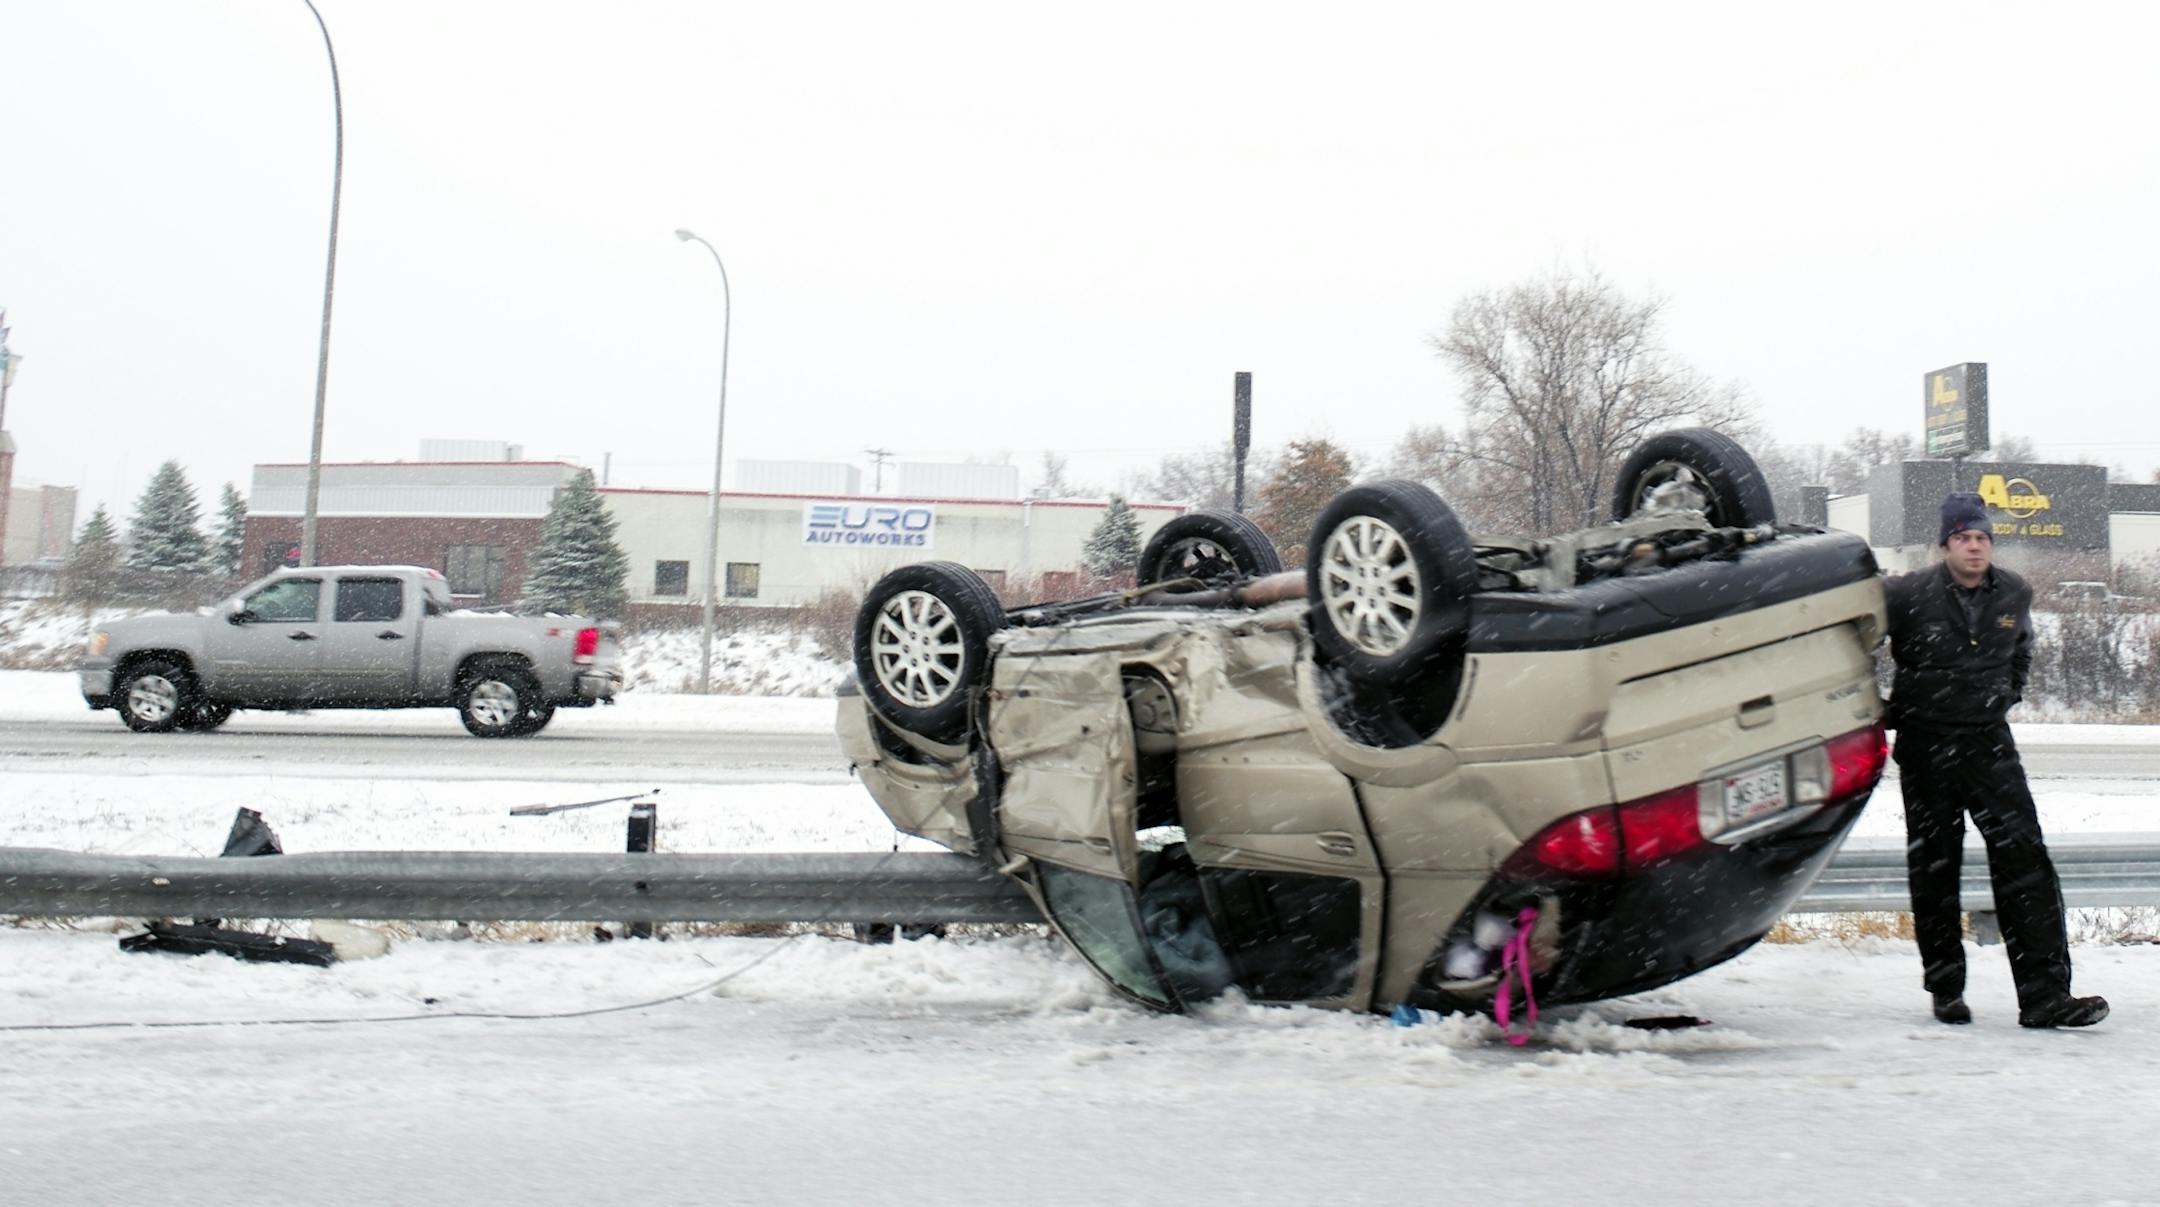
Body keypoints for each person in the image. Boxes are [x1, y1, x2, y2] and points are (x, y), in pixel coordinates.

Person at [1881, 492, 2107, 1028]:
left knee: (2025, 861)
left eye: (1982, 537)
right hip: (1925, 743)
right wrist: (1876, 706)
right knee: (1935, 867)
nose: (1975, 546)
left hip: (1988, 743)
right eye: (1963, 537)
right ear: (1945, 545)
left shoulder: (2013, 591)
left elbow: (2023, 649)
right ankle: (1946, 989)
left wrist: (2008, 693)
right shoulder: (1906, 593)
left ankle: (2045, 996)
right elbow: (1853, 640)